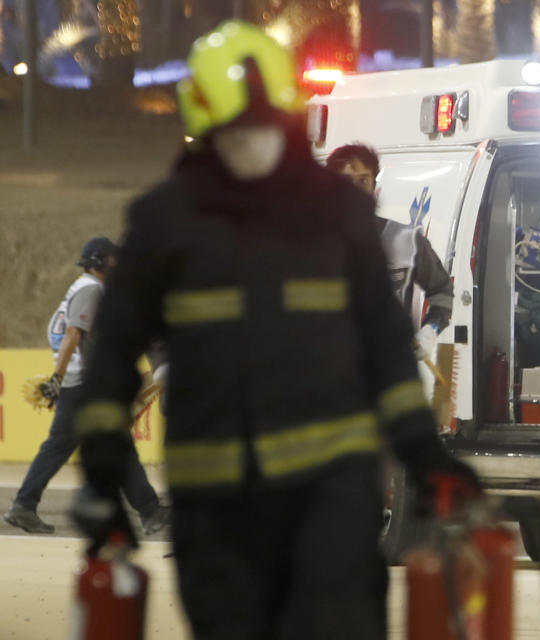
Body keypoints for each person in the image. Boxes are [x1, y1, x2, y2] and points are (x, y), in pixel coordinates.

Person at [70, 21, 478, 639]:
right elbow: (112, 359)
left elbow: (387, 353)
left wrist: (424, 456)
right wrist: (100, 477)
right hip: (221, 510)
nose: (251, 144)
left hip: (328, 498)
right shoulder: (163, 222)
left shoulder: (338, 217)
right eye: (241, 131)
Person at [3, 238, 169, 536]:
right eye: (114, 259)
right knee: (111, 443)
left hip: (77, 382)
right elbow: (73, 335)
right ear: (100, 262)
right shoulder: (91, 290)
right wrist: (59, 376)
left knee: (61, 446)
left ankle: (24, 506)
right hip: (84, 383)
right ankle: (150, 512)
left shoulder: (82, 289)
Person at [326, 143, 454, 353]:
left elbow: (442, 292)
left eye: (363, 180)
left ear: (374, 186)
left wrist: (430, 331)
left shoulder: (407, 240)